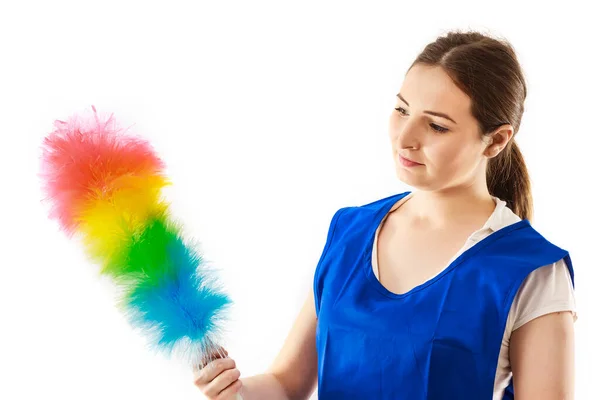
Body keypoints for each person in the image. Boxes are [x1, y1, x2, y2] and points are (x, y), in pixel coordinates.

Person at [192, 29, 576, 400]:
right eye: (401, 109)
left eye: (437, 126)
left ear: (496, 140)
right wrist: (235, 392)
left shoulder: (531, 270)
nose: (405, 137)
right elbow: (285, 385)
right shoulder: (349, 233)